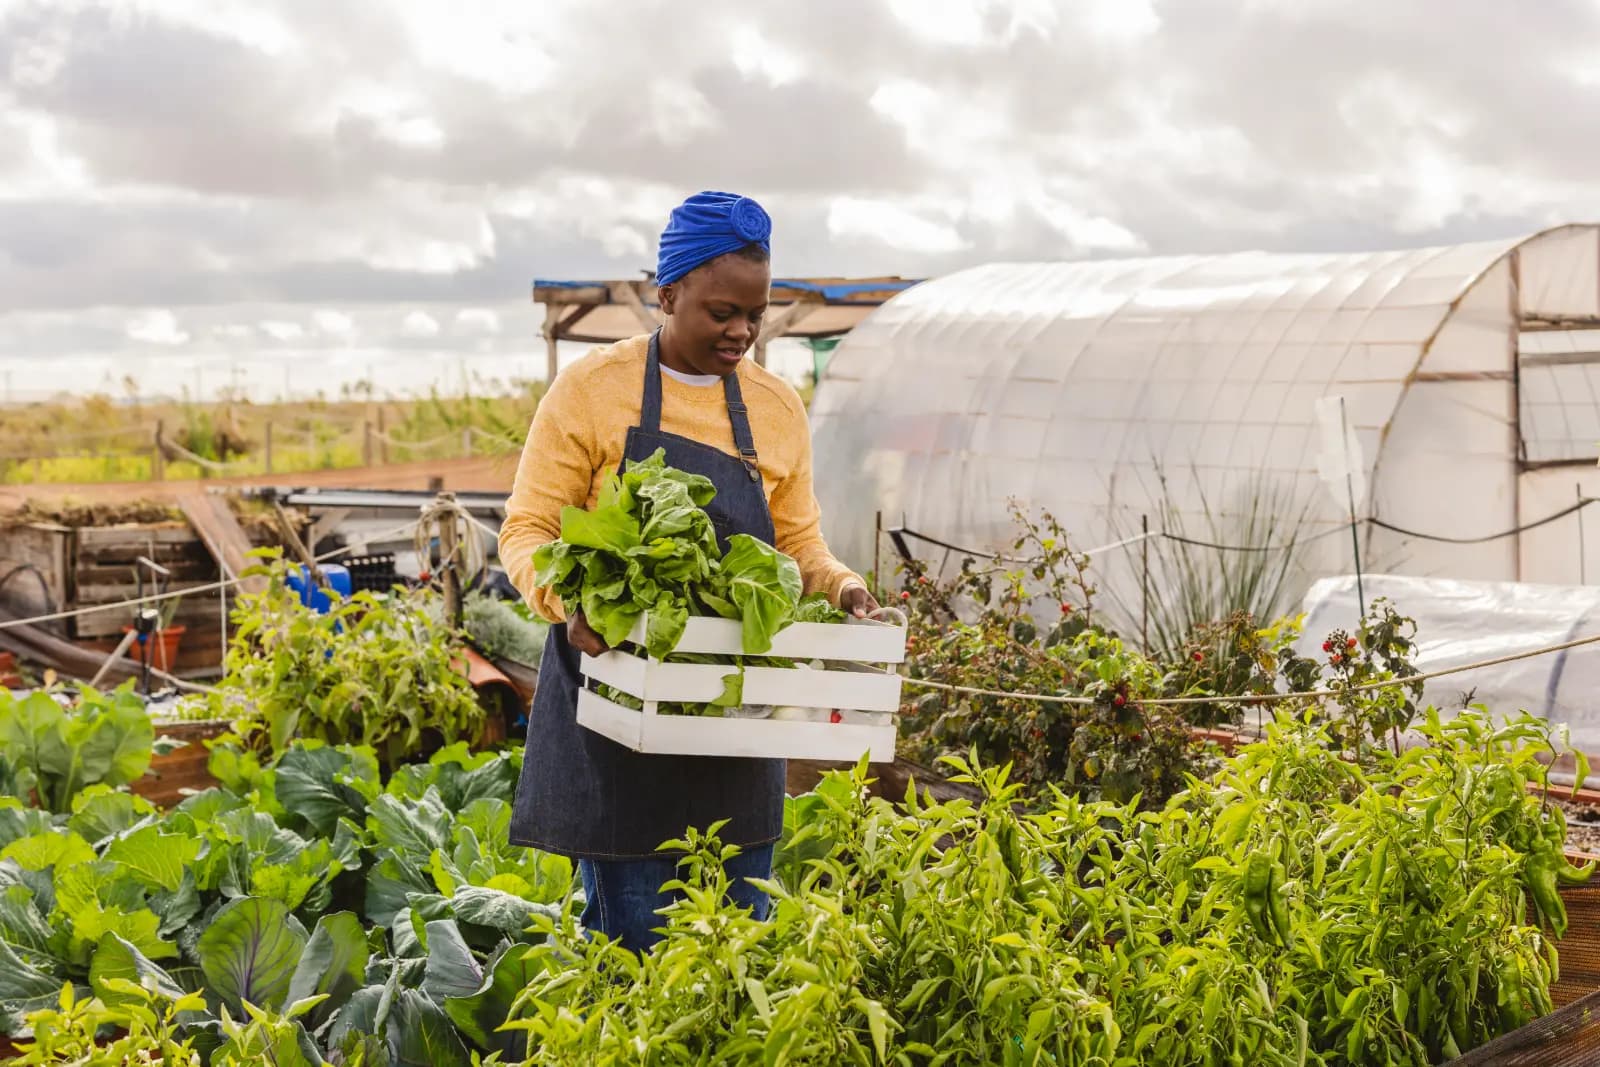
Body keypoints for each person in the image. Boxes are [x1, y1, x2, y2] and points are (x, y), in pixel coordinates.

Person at [499, 190, 878, 952]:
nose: (741, 332)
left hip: (732, 721)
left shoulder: (775, 408)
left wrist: (842, 585)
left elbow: (797, 540)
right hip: (617, 717)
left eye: (755, 314)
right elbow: (528, 530)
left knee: (741, 960)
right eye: (720, 312)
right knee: (634, 955)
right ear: (666, 294)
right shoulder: (590, 391)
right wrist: (570, 601)